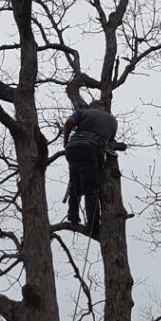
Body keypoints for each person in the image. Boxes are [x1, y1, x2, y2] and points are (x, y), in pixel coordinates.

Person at [63, 99, 118, 238]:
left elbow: (69, 122)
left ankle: (73, 217)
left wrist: (65, 142)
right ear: (104, 108)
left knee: (75, 185)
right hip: (91, 149)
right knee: (91, 189)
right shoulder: (112, 121)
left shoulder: (82, 112)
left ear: (92, 106)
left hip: (72, 148)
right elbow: (110, 142)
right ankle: (93, 226)